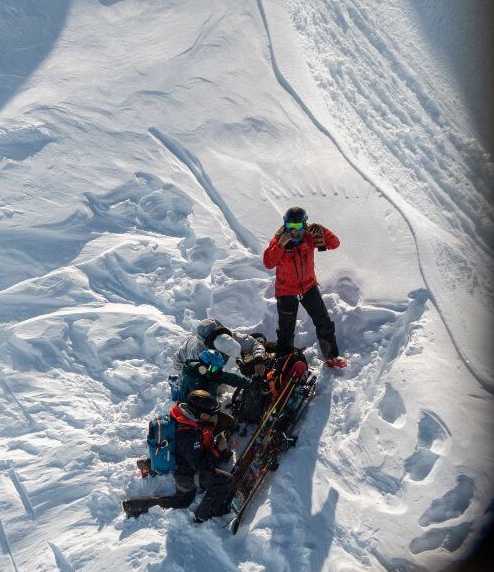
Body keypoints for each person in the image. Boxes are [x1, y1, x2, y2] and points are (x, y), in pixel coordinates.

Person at [123, 390, 237, 520]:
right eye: (213, 415)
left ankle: (150, 464)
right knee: (224, 481)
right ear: (203, 416)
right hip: (186, 475)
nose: (216, 417)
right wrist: (217, 450)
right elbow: (200, 465)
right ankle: (202, 516)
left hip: (182, 456)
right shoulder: (189, 434)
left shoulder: (186, 415)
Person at [262, 207, 347, 369]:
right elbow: (268, 262)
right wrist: (280, 245)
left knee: (324, 322)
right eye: (290, 226)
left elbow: (334, 244)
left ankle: (331, 356)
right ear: (285, 225)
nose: (294, 231)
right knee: (286, 330)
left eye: (298, 226)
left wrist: (323, 230)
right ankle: (285, 364)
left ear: (304, 224)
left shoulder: (310, 237)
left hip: (308, 287)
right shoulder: (279, 241)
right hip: (286, 291)